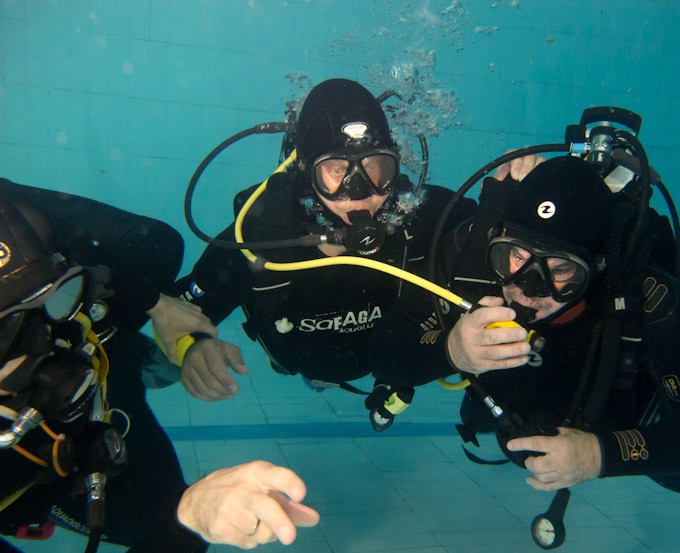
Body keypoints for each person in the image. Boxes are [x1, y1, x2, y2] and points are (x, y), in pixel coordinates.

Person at [0, 179, 318, 553]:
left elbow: (152, 242)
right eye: (6, 334)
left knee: (101, 333)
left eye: (58, 298)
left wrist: (158, 306)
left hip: (98, 412)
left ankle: (127, 348)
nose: (51, 350)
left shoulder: (64, 339)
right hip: (26, 475)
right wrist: (186, 521)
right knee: (153, 524)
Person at [370, 155, 680, 498]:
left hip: (611, 393)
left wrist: (598, 456)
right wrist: (451, 349)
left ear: (595, 268)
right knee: (478, 418)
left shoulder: (650, 299)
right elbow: (386, 350)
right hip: (521, 392)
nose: (528, 289)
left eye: (561, 269)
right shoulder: (473, 251)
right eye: (516, 256)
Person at [171, 78, 477, 430]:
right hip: (296, 360)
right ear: (305, 170)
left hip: (390, 361)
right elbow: (182, 307)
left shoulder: (424, 220)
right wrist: (190, 347)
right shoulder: (262, 236)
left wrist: (518, 193)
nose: (360, 192)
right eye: (336, 171)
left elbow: (503, 241)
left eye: (377, 168)